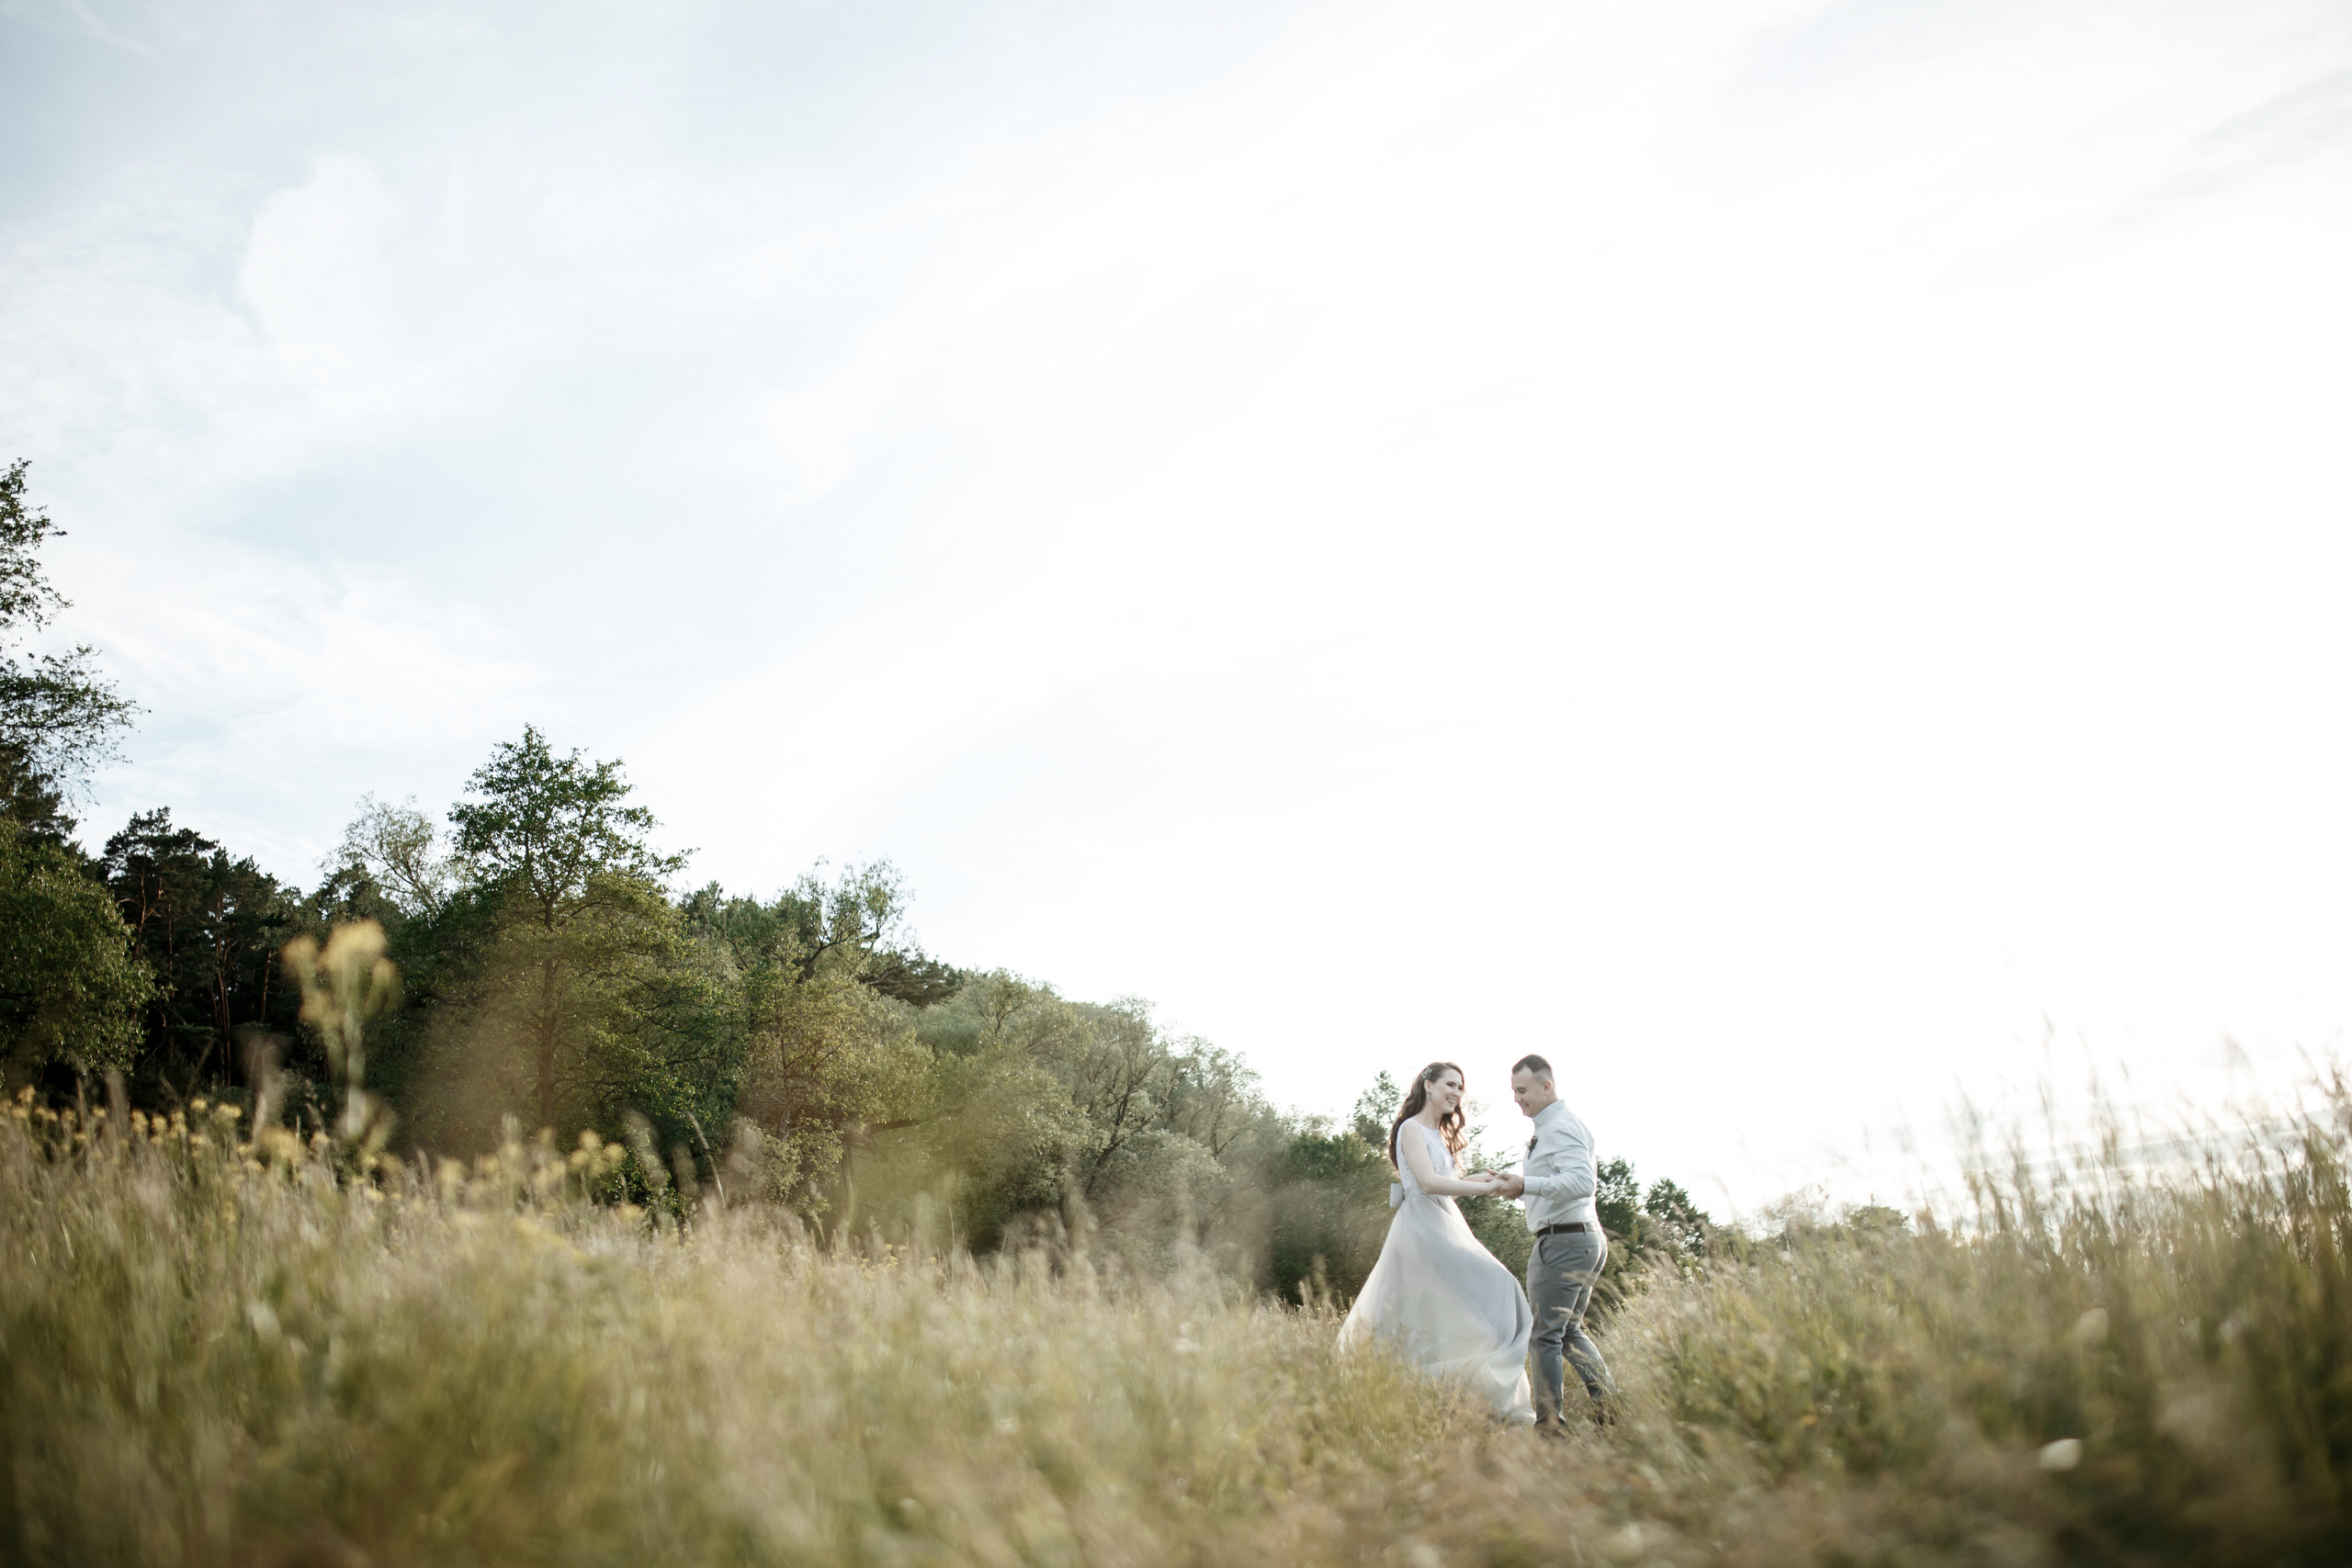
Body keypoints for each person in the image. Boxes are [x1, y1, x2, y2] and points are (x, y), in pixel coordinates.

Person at [1336, 1061, 1535, 1424]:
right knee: (1497, 1285)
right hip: (1422, 1226)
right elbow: (1428, 1183)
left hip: (1443, 1221)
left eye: (1460, 1088)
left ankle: (1468, 1399)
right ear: (1427, 1085)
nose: (1456, 1093)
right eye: (1450, 1084)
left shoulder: (1440, 1136)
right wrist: (1486, 1189)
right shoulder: (1411, 1129)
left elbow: (1450, 1182)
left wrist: (1490, 1177)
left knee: (1444, 1314)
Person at [1491, 1053, 1614, 1431]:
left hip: (1564, 1243)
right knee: (1568, 1331)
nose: (1517, 1098)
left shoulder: (1560, 1126)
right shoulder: (1554, 1125)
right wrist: (1519, 1189)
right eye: (1514, 1091)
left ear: (1547, 1086)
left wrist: (1527, 1184)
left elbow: (1582, 1183)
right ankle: (1610, 1405)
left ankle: (1549, 1426)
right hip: (1581, 1237)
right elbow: (1560, 1184)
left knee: (1544, 1336)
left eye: (1523, 1090)